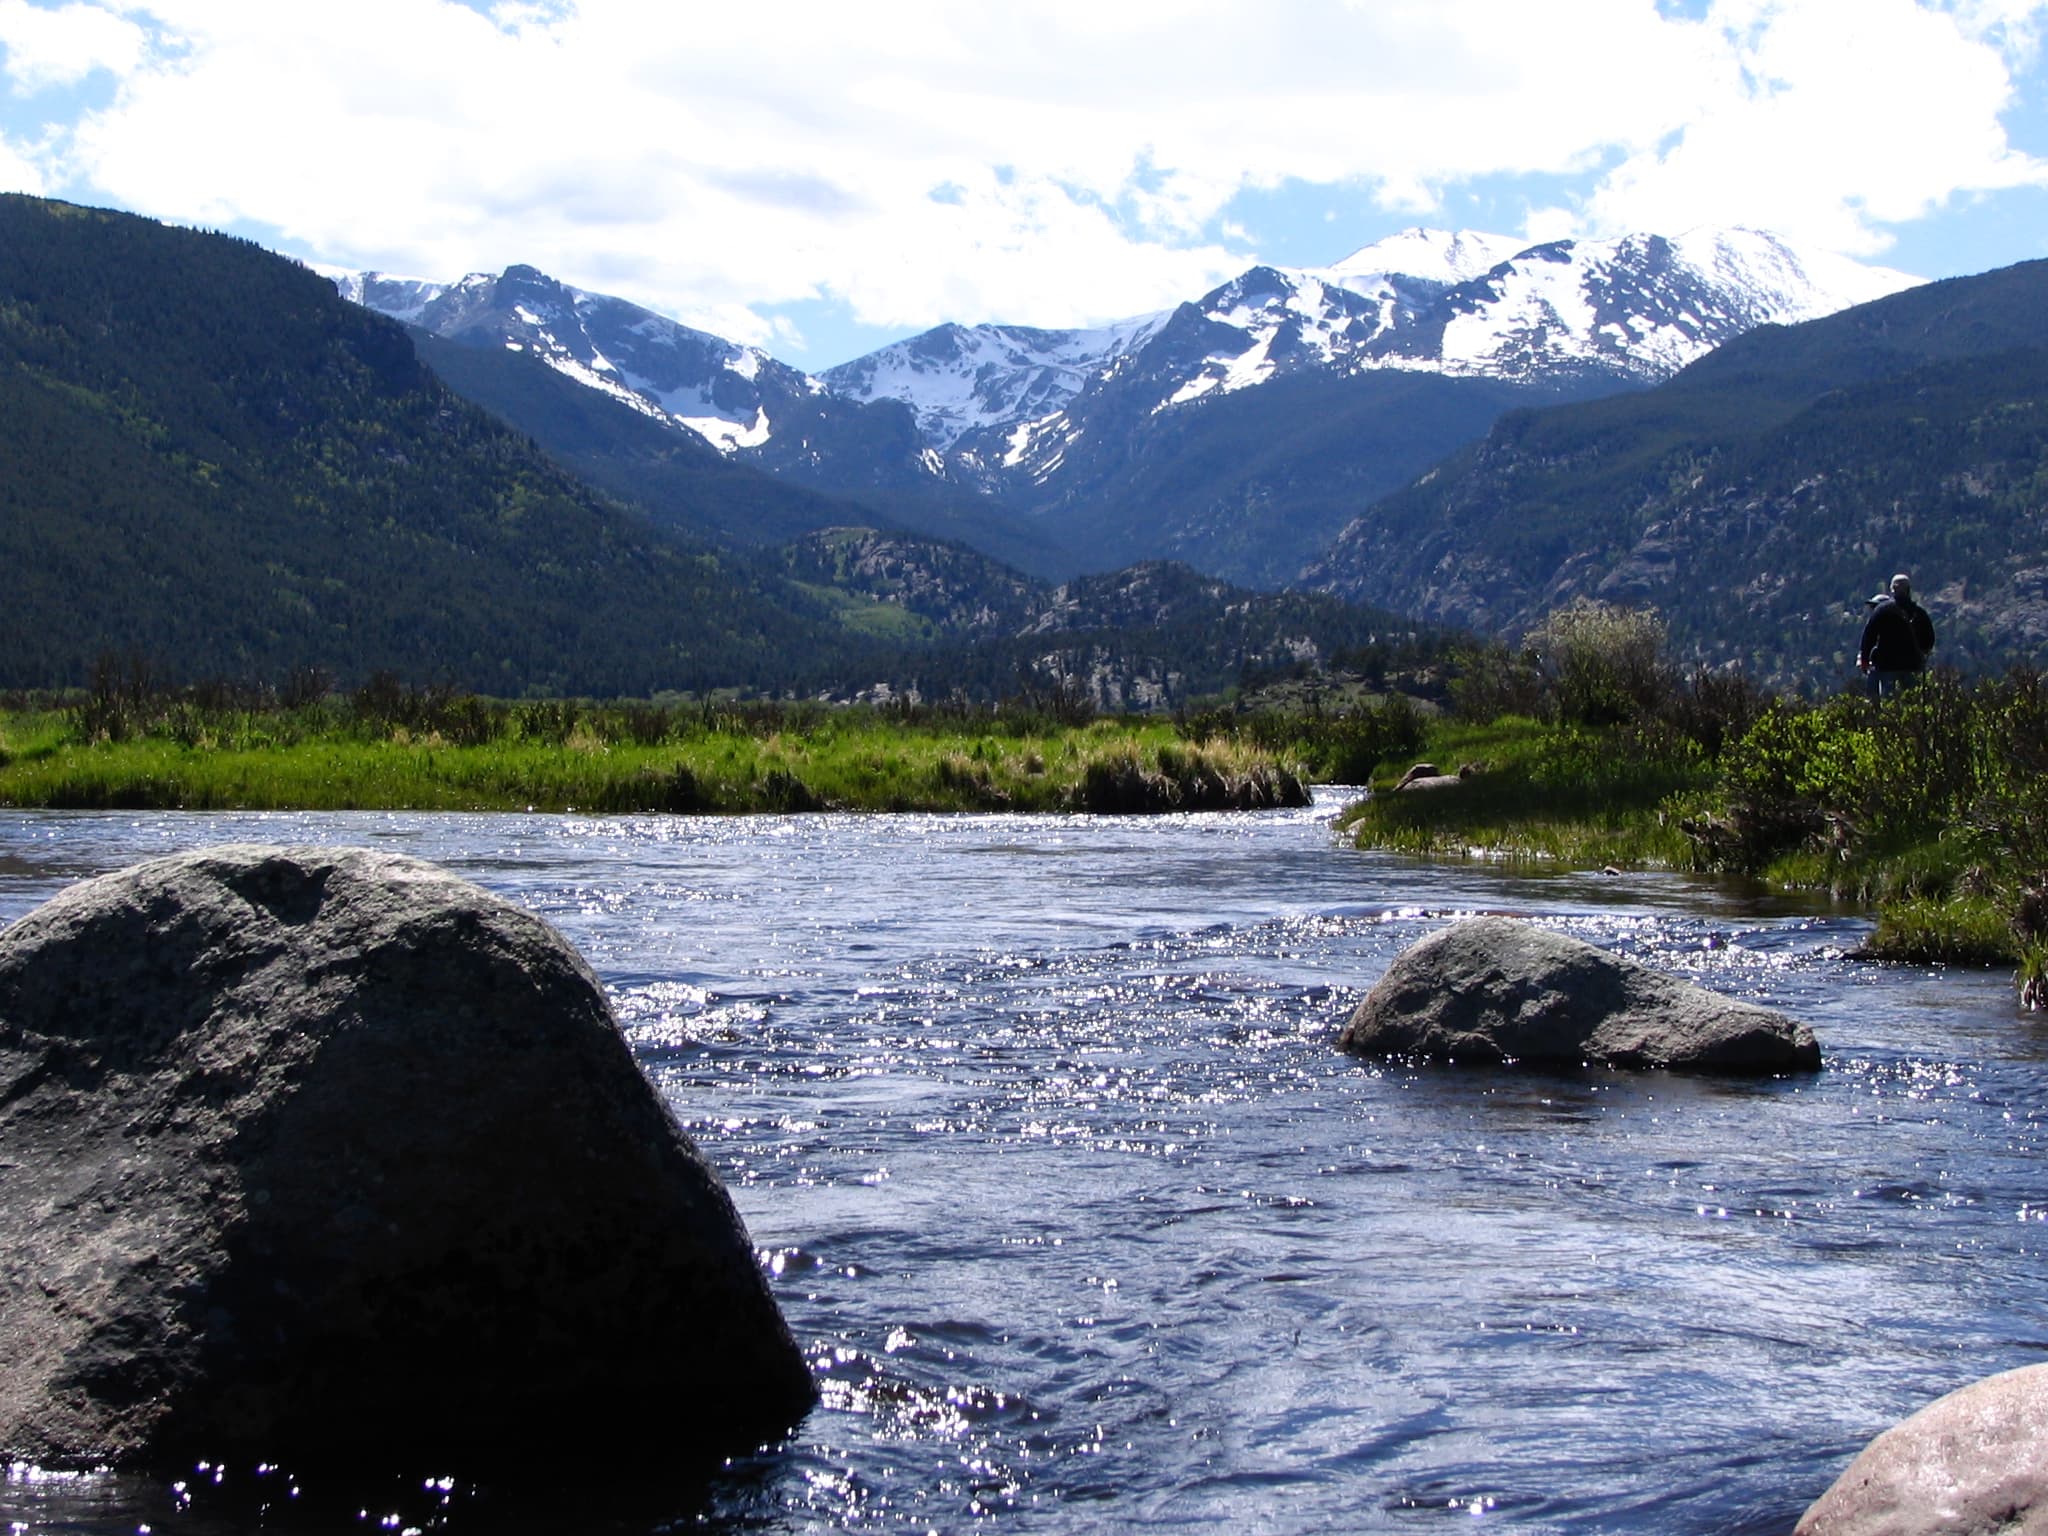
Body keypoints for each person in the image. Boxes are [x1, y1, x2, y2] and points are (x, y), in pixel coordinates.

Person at [1858, 573, 1935, 697]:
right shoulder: (1919, 613)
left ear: (1892, 590)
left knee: (1890, 702)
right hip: (1912, 664)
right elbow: (1929, 639)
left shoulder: (1881, 611)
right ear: (1909, 590)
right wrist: (1922, 653)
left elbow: (1869, 636)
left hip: (1886, 665)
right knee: (1911, 701)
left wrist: (1865, 660)